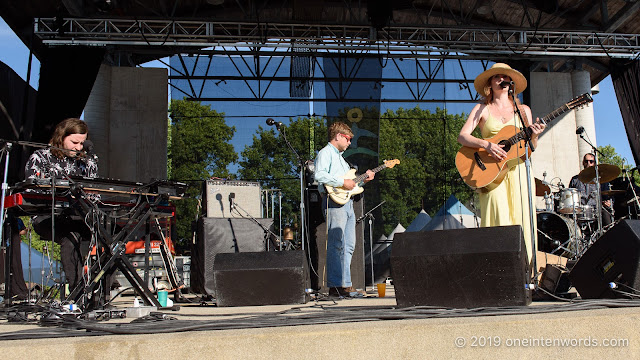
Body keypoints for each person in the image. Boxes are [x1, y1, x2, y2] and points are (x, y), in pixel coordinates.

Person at [458, 63, 545, 272]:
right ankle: (497, 272)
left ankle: (525, 272)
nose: (501, 80)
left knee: (522, 218)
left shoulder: (523, 111)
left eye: (504, 77)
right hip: (491, 173)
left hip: (519, 172)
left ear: (510, 83)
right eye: (496, 77)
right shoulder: (481, 108)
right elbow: (462, 136)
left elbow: (530, 148)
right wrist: (486, 144)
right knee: (498, 219)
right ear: (490, 83)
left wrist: (535, 134)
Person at [25, 118, 98, 295]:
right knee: (71, 237)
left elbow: (94, 194)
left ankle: (98, 292)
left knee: (109, 234)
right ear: (61, 137)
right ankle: (78, 293)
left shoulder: (86, 161)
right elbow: (30, 192)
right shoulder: (40, 158)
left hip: (78, 216)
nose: (79, 148)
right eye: (74, 142)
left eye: (82, 143)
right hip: (47, 216)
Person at [314, 122, 375, 297]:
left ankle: (346, 284)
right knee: (336, 244)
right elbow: (319, 174)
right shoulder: (326, 153)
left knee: (348, 245)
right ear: (338, 136)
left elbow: (351, 183)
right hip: (334, 202)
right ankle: (335, 286)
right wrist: (342, 183)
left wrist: (364, 180)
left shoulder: (341, 158)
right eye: (348, 139)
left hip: (347, 203)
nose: (349, 143)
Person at [568, 153, 613, 229]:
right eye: (586, 161)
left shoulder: (601, 179)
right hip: (580, 210)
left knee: (606, 214)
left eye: (591, 161)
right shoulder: (575, 180)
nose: (588, 164)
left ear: (594, 163)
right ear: (583, 163)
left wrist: (608, 203)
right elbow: (570, 196)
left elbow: (608, 195)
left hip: (597, 210)